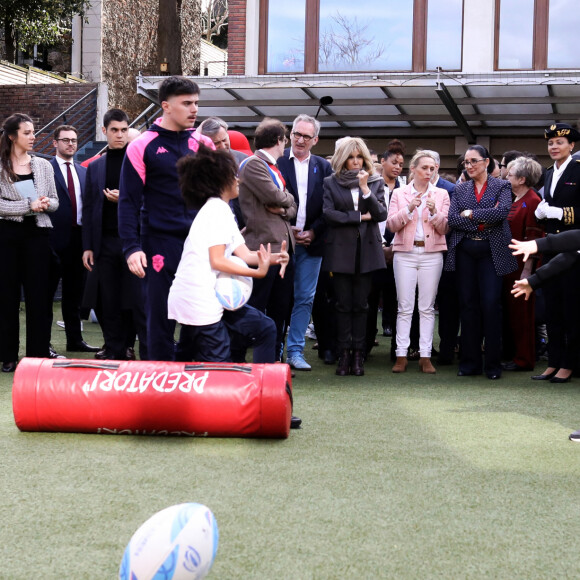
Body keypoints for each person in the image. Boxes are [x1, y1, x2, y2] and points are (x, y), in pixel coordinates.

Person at [167, 146, 301, 430]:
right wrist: (258, 271)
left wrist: (275, 257)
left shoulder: (223, 210)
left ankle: (267, 400)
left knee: (264, 328)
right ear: (219, 182)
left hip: (210, 299)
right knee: (217, 367)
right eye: (234, 176)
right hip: (200, 301)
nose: (239, 180)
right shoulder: (216, 211)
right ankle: (190, 406)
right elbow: (218, 260)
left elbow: (246, 253)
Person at [118, 76, 215, 361]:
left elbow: (219, 199)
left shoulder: (204, 143)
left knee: (200, 314)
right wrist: (131, 247)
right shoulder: (141, 146)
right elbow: (128, 202)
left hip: (200, 244)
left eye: (196, 103)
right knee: (159, 316)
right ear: (166, 106)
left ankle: (191, 381)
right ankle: (158, 385)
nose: (194, 109)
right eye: (186, 103)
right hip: (158, 243)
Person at [445, 145, 517, 380]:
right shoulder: (460, 188)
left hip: (492, 252)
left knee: (490, 304)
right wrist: (482, 219)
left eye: (473, 161)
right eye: (466, 162)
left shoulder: (502, 185)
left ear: (487, 162)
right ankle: (469, 363)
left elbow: (502, 213)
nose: (469, 166)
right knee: (467, 305)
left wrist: (471, 214)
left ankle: (493, 365)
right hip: (465, 251)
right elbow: (453, 219)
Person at [82, 108, 147, 361]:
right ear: (104, 131)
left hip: (134, 241)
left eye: (123, 130)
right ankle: (112, 346)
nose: (119, 135)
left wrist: (126, 200)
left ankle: (128, 346)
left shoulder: (140, 163)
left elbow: (152, 202)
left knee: (132, 298)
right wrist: (87, 246)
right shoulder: (96, 166)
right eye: (114, 130)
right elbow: (88, 208)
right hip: (104, 242)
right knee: (106, 297)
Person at [323, 137, 387, 377]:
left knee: (361, 305)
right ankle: (344, 355)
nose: (355, 161)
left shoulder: (375, 182)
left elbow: (380, 214)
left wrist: (365, 190)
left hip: (367, 251)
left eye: (359, 157)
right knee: (342, 304)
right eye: (351, 157)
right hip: (340, 252)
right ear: (343, 159)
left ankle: (358, 355)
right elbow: (328, 214)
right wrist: (359, 217)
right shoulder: (330, 182)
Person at [0, 113, 59, 372]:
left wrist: (46, 204)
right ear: (12, 136)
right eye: (27, 133)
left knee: (39, 298)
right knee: (6, 298)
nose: (33, 137)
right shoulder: (0, 166)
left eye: (34, 132)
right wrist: (28, 205)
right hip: (6, 237)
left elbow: (56, 200)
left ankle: (37, 354)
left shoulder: (44, 166)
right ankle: (7, 355)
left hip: (38, 236)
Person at [238, 118, 297, 362]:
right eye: (285, 140)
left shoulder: (271, 166)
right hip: (261, 248)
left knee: (281, 308)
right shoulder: (254, 164)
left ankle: (273, 360)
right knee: (254, 307)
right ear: (278, 140)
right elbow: (275, 196)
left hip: (282, 248)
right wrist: (286, 201)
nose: (286, 146)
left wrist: (284, 206)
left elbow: (291, 205)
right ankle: (239, 358)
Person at [386, 150, 450, 374]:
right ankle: (401, 355)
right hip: (405, 253)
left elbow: (445, 228)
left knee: (427, 307)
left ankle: (425, 356)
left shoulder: (441, 194)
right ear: (413, 169)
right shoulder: (400, 194)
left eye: (432, 168)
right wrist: (409, 208)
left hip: (432, 254)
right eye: (425, 168)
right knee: (404, 307)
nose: (429, 172)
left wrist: (434, 213)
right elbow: (391, 225)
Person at [526, 123, 580, 383]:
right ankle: (554, 362)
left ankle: (569, 364)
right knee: (552, 309)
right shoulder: (548, 173)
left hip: (572, 250)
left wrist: (561, 213)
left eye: (559, 142)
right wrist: (543, 212)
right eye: (550, 143)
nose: (554, 147)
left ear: (572, 145)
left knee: (571, 310)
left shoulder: (578, 169)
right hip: (550, 246)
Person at [277, 114, 332, 371]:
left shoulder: (323, 167)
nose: (299, 139)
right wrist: (288, 230)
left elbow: (329, 207)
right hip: (280, 243)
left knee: (304, 299)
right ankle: (275, 349)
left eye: (305, 136)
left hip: (312, 244)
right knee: (278, 298)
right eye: (296, 134)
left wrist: (313, 232)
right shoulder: (276, 162)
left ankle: (295, 352)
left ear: (315, 140)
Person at [49, 124, 99, 354]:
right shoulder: (44, 169)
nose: (71, 143)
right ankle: (43, 342)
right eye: (66, 140)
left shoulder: (83, 172)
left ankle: (74, 340)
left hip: (78, 240)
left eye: (74, 140)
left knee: (73, 294)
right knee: (45, 294)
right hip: (50, 240)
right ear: (55, 143)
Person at [501, 156, 543, 372]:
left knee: (523, 315)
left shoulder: (533, 201)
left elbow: (533, 238)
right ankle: (514, 355)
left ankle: (524, 359)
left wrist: (527, 271)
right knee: (512, 314)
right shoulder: (515, 199)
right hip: (508, 266)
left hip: (521, 268)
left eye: (510, 174)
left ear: (522, 179)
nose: (506, 177)